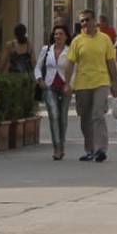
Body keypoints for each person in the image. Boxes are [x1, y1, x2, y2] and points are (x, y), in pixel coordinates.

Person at [66, 10, 117, 162]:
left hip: (101, 82)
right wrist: (67, 83)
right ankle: (89, 149)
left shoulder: (105, 39)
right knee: (85, 118)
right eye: (82, 21)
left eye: (87, 20)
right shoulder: (77, 41)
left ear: (95, 21)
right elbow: (70, 63)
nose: (84, 23)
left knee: (98, 115)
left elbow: (111, 62)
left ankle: (101, 149)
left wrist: (115, 84)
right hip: (82, 84)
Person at [35, 24, 74, 160]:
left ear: (66, 36)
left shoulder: (70, 51)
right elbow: (37, 67)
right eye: (56, 34)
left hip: (65, 86)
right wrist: (40, 79)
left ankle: (62, 145)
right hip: (49, 86)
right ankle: (56, 147)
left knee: (62, 117)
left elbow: (75, 69)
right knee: (54, 114)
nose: (58, 36)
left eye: (61, 34)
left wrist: (70, 84)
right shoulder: (46, 50)